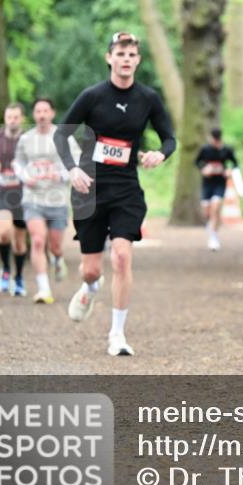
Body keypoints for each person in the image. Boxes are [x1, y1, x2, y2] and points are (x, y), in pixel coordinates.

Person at [54, 31, 176, 356]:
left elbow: (169, 138)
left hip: (126, 190)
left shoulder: (147, 98)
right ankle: (91, 286)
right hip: (89, 190)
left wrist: (160, 154)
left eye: (132, 54)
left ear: (138, 60)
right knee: (92, 268)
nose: (126, 59)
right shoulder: (92, 96)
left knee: (122, 256)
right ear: (109, 58)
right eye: (120, 53)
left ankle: (117, 335)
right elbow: (61, 134)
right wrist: (72, 169)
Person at [13, 98, 80, 304]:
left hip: (57, 199)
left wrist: (60, 175)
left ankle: (58, 259)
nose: (42, 115)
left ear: (52, 113)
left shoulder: (63, 137)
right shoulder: (25, 139)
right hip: (33, 198)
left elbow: (77, 162)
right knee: (38, 240)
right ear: (34, 115)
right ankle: (44, 290)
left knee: (56, 246)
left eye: (45, 111)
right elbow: (18, 162)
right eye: (38, 111)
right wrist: (25, 177)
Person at [0, 103, 28, 296]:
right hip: (1, 192)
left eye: (16, 117)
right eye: (9, 117)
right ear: (4, 118)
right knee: (3, 233)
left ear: (22, 119)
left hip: (24, 195)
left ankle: (18, 278)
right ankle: (5, 271)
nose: (12, 120)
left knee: (19, 242)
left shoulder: (29, 139)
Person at [195, 128, 239, 251]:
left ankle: (213, 238)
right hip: (207, 183)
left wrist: (229, 170)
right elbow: (197, 162)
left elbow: (235, 163)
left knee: (215, 207)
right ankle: (211, 230)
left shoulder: (226, 150)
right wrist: (204, 169)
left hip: (220, 183)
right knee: (207, 212)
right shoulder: (205, 149)